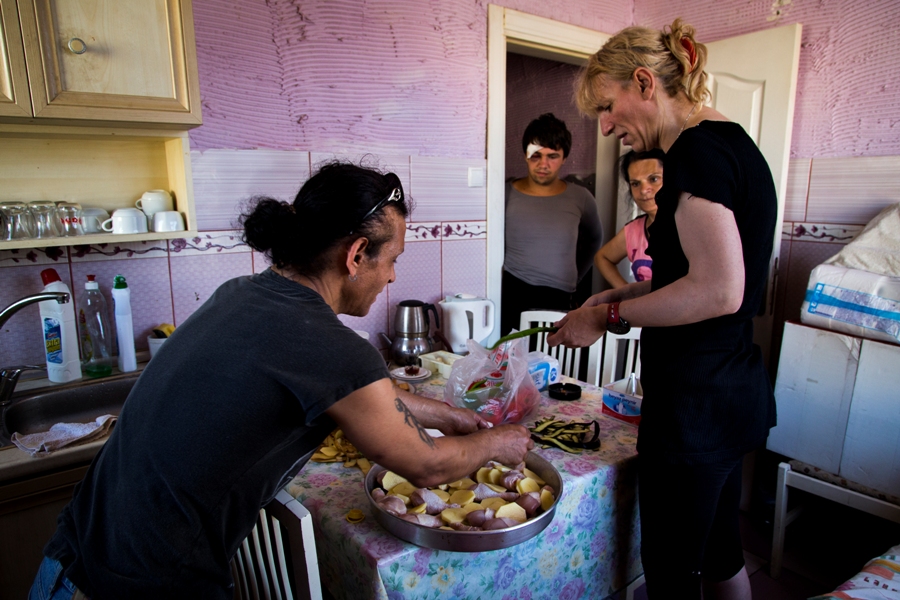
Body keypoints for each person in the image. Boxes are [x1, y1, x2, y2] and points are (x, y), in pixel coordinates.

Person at [30, 163, 534, 600]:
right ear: (356, 255)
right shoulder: (330, 347)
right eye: (393, 259)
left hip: (70, 560)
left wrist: (449, 415)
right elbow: (424, 465)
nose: (393, 278)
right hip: (137, 587)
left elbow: (361, 395)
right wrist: (497, 440)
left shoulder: (241, 293)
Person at [550, 19, 777, 600]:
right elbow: (693, 277)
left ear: (645, 83)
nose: (605, 127)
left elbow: (719, 291)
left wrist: (605, 320)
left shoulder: (694, 154)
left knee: (673, 574)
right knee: (723, 557)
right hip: (731, 390)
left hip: (695, 404)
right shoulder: (736, 144)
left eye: (607, 106)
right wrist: (617, 294)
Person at [501, 112, 604, 335]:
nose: (543, 164)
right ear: (525, 155)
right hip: (513, 293)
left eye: (552, 156)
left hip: (559, 297)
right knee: (510, 363)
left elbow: (595, 239)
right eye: (536, 155)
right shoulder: (505, 193)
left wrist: (576, 275)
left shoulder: (581, 197)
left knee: (552, 361)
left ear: (564, 158)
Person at [594, 149, 664, 288]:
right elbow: (602, 258)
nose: (644, 190)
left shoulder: (694, 227)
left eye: (653, 179)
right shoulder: (634, 231)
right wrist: (627, 293)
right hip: (646, 310)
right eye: (636, 184)